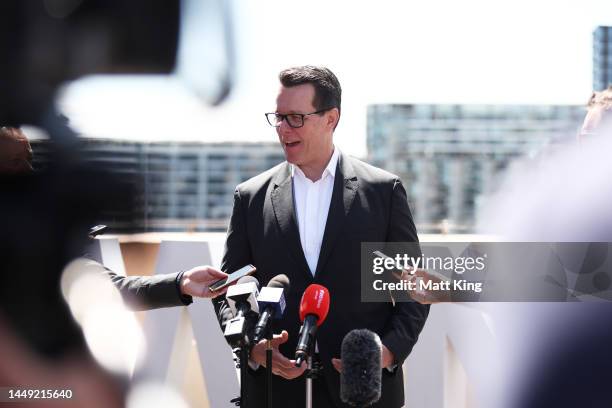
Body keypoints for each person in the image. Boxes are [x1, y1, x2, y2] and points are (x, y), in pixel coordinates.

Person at [213, 66, 430, 407]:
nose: (283, 128)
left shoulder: (383, 191)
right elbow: (228, 289)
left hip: (361, 391)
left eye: (296, 117)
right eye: (278, 117)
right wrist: (252, 347)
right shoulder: (250, 197)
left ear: (331, 119)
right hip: (274, 390)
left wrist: (387, 353)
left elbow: (413, 290)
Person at [0, 126, 229, 309]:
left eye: (29, 159)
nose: (28, 170)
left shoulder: (42, 232)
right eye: (15, 162)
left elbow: (108, 288)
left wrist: (180, 283)